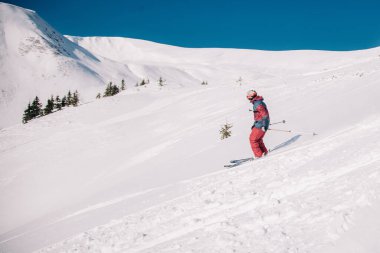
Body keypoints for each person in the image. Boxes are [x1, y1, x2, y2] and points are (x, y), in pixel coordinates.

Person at [246, 90, 270, 158]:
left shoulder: (257, 103)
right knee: (258, 139)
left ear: (251, 96)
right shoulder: (257, 102)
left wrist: (264, 125)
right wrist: (255, 124)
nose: (247, 98)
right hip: (260, 124)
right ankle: (264, 153)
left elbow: (264, 115)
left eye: (248, 96)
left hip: (261, 124)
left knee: (253, 139)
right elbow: (258, 115)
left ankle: (259, 156)